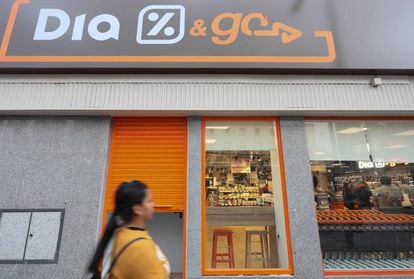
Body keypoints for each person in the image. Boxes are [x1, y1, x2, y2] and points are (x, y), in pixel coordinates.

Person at [88, 180, 170, 279]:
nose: (153, 204)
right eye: (149, 201)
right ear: (137, 209)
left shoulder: (121, 234)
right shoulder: (140, 249)